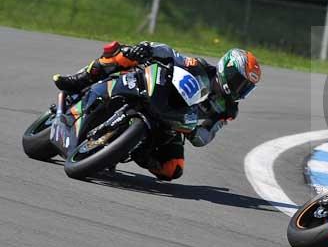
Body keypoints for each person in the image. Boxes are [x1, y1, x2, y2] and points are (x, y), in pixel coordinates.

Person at [53, 41, 260, 180]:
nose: (240, 89)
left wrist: (195, 133)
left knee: (173, 169)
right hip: (156, 91)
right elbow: (170, 54)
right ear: (227, 69)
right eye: (239, 81)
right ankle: (81, 78)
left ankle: (124, 149)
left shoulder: (229, 110)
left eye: (246, 88)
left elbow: (207, 135)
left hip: (174, 123)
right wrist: (146, 48)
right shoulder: (200, 66)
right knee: (125, 53)